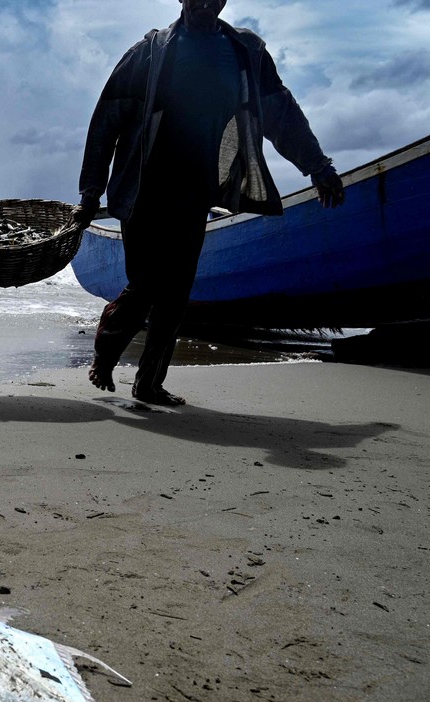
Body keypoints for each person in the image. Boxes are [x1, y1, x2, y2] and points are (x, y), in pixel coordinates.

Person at [73, 0, 345, 405]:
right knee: (146, 284)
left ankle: (148, 383)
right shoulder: (149, 52)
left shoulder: (244, 53)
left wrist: (318, 166)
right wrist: (90, 192)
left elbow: (279, 111)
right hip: (143, 184)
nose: (205, 1)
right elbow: (106, 120)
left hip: (196, 187)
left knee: (177, 289)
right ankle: (108, 347)